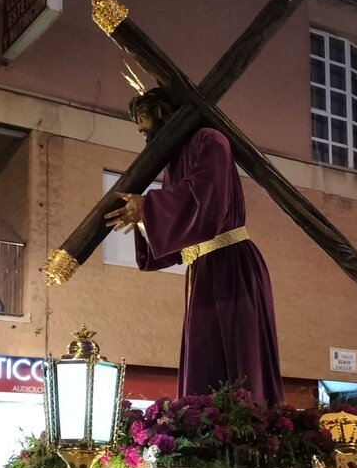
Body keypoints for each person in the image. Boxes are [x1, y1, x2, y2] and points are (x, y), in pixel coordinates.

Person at [105, 86, 283, 406]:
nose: (139, 128)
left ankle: (249, 430)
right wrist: (146, 219)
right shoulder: (174, 163)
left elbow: (205, 194)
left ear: (162, 114)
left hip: (231, 264)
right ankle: (203, 429)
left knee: (240, 355)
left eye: (142, 118)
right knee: (204, 354)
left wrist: (147, 207)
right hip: (202, 269)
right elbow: (177, 240)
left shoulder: (209, 140)